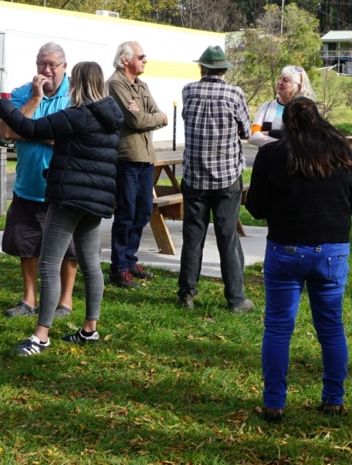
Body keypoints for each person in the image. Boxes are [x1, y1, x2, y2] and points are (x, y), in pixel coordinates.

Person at [0, 61, 124, 356]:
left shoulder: (77, 116)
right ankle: (89, 330)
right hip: (96, 203)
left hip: (68, 199)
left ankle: (40, 336)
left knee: (48, 264)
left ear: (78, 83)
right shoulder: (112, 118)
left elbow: (26, 127)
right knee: (91, 265)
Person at [245, 98, 352, 422]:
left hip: (286, 247)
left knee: (279, 328)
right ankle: (334, 399)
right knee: (331, 326)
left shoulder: (273, 153)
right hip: (332, 249)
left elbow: (255, 206)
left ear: (287, 123)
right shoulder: (342, 151)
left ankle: (274, 402)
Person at [0, 44, 79, 320]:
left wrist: (30, 130)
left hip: (65, 187)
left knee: (70, 248)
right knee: (27, 244)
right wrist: (35, 99)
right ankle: (29, 299)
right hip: (29, 186)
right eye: (41, 65)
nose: (45, 71)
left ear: (64, 67)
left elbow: (72, 136)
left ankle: (64, 302)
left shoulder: (76, 95)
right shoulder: (24, 93)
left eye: (51, 65)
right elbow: (8, 131)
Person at [177, 46, 254, 313]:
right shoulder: (234, 94)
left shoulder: (188, 90)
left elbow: (187, 118)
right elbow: (245, 130)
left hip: (195, 177)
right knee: (227, 236)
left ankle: (186, 294)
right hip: (226, 177)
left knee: (192, 236)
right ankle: (235, 299)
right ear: (224, 68)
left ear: (202, 67)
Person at [107, 41, 169, 289]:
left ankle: (130, 259)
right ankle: (118, 268)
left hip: (146, 156)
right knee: (126, 212)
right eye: (141, 56)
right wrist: (150, 117)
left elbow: (156, 115)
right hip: (127, 158)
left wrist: (152, 117)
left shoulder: (140, 85)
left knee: (143, 211)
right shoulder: (115, 84)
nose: (145, 60)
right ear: (125, 60)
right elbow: (135, 119)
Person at [248, 64, 314, 147]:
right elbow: (253, 136)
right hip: (267, 159)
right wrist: (285, 143)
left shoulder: (304, 110)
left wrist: (267, 135)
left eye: (285, 80)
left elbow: (305, 140)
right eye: (280, 78)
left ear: (298, 87)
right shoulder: (266, 107)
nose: (279, 82)